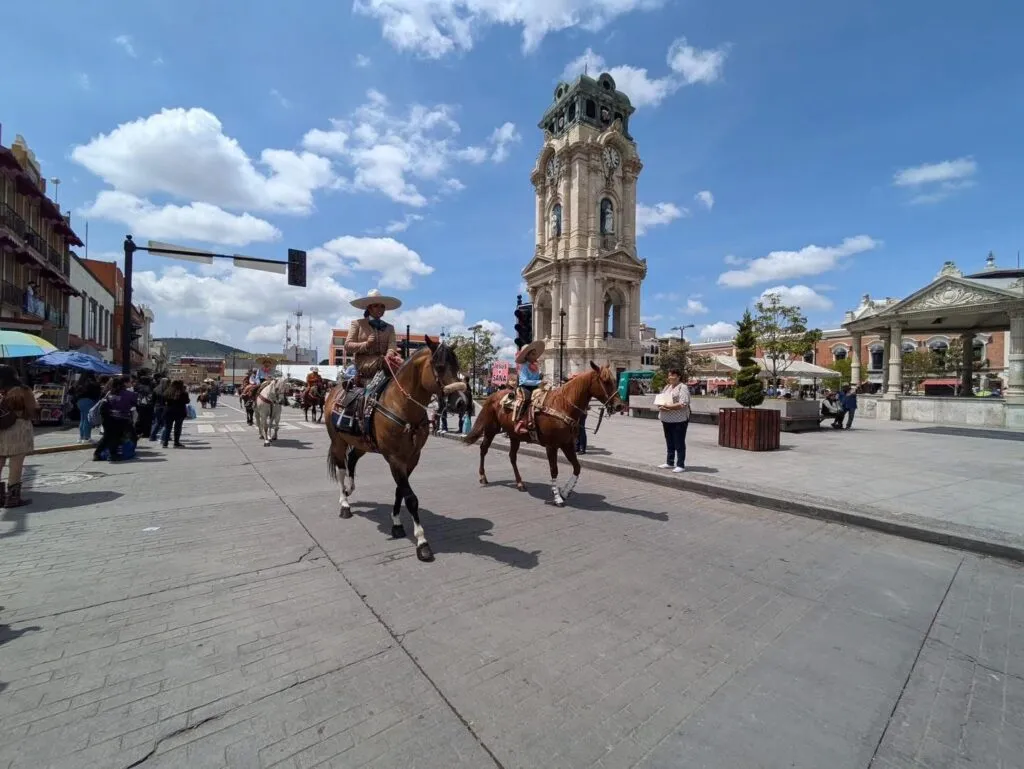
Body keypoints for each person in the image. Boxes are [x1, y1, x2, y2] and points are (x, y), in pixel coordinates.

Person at [343, 288, 404, 400]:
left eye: (382, 306)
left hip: (384, 361)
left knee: (404, 365)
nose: (380, 309)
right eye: (376, 306)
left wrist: (390, 353)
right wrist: (366, 344)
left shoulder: (389, 327)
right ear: (369, 307)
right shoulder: (358, 324)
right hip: (364, 362)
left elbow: (392, 345)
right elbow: (347, 346)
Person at [0, 364, 38, 508]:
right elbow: (32, 411)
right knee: (15, 463)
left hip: (1, 428)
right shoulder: (23, 390)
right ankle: (12, 498)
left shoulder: (2, 391)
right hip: (18, 429)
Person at [93, 376, 137, 462]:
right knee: (116, 437)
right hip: (122, 418)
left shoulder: (109, 393)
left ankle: (98, 454)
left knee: (107, 436)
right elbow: (133, 404)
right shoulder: (129, 394)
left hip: (108, 418)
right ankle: (112, 455)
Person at [657, 368, 690, 473]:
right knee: (669, 441)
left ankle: (680, 464)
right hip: (666, 419)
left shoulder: (682, 387)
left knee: (679, 442)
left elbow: (683, 403)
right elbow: (661, 399)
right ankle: (669, 462)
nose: (670, 377)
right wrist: (660, 405)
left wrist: (669, 407)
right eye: (669, 375)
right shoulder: (667, 387)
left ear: (678, 376)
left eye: (672, 375)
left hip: (678, 420)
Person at [513, 340, 546, 436]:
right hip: (525, 388)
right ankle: (519, 422)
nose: (535, 356)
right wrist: (539, 381)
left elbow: (536, 379)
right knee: (525, 400)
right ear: (526, 356)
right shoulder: (524, 367)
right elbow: (523, 381)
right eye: (532, 354)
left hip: (535, 387)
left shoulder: (535, 366)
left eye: (535, 354)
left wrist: (540, 377)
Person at [162, 380, 190, 448]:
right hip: (179, 412)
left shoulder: (167, 392)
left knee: (167, 427)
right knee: (178, 428)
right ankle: (176, 442)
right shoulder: (183, 393)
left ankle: (165, 443)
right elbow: (187, 401)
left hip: (168, 411)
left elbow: (163, 400)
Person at [74, 373, 102, 444]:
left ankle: (81, 437)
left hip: (79, 402)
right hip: (89, 401)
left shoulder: (79, 383)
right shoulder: (92, 383)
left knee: (82, 419)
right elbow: (97, 393)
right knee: (88, 420)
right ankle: (87, 437)